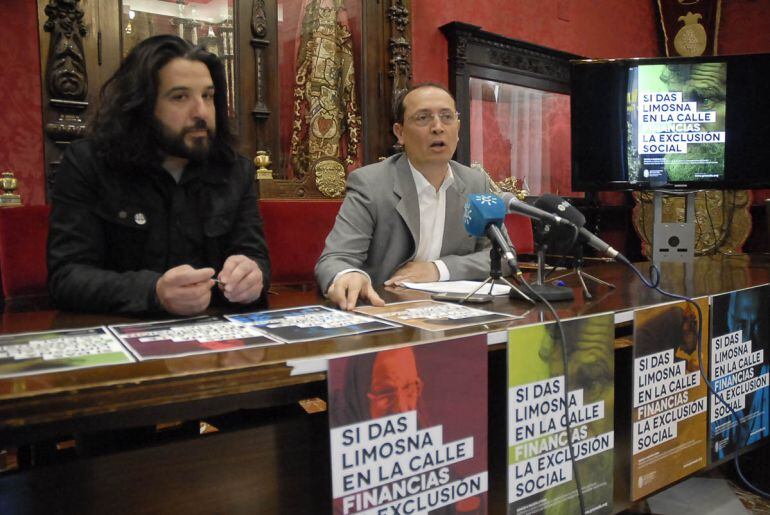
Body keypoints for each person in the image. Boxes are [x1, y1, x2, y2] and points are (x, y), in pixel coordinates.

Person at [48, 35, 270, 315]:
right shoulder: (88, 163)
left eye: (208, 96)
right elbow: (66, 278)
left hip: (215, 341)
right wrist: (153, 292)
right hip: (119, 335)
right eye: (180, 97)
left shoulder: (235, 169)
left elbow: (255, 257)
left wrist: (253, 276)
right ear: (142, 105)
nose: (201, 112)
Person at [315, 83, 508, 310]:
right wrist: (348, 275)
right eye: (423, 118)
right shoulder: (371, 184)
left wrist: (438, 269)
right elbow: (335, 259)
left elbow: (504, 256)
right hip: (387, 312)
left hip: (454, 311)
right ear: (400, 132)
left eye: (447, 117)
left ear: (458, 127)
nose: (438, 127)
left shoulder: (476, 182)